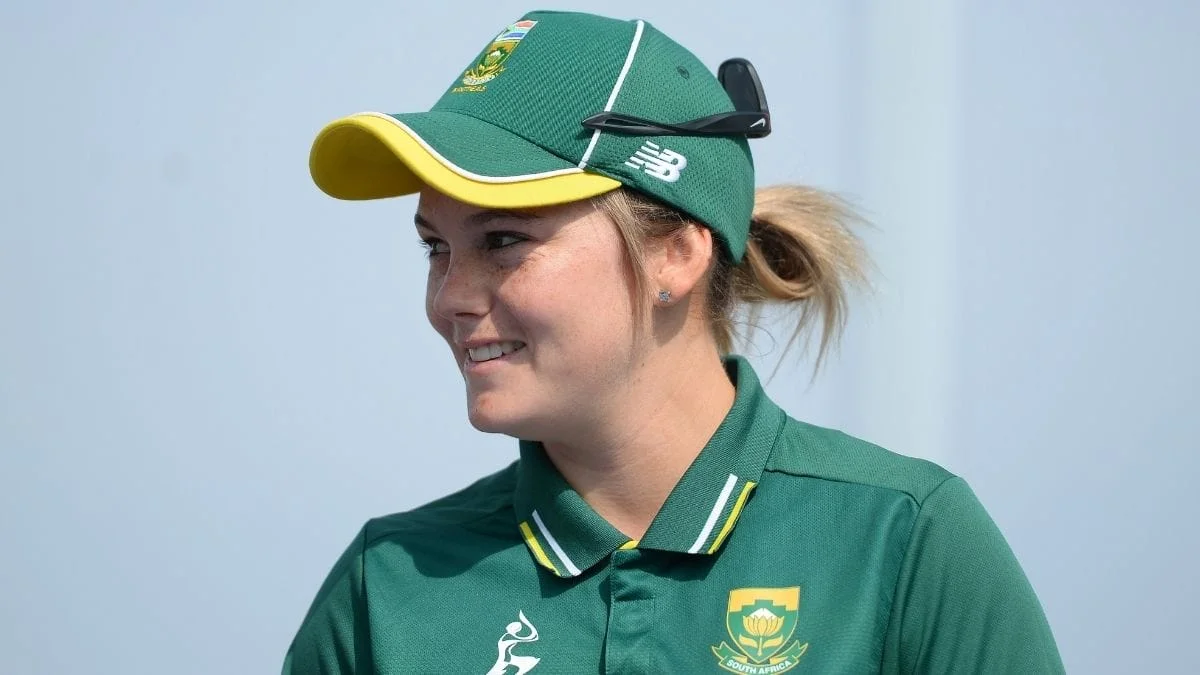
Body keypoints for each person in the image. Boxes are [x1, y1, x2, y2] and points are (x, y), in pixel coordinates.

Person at [284, 9, 1064, 674]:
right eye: (436, 247)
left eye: (503, 240)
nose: (450, 297)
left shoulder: (905, 541)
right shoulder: (386, 589)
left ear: (677, 253)